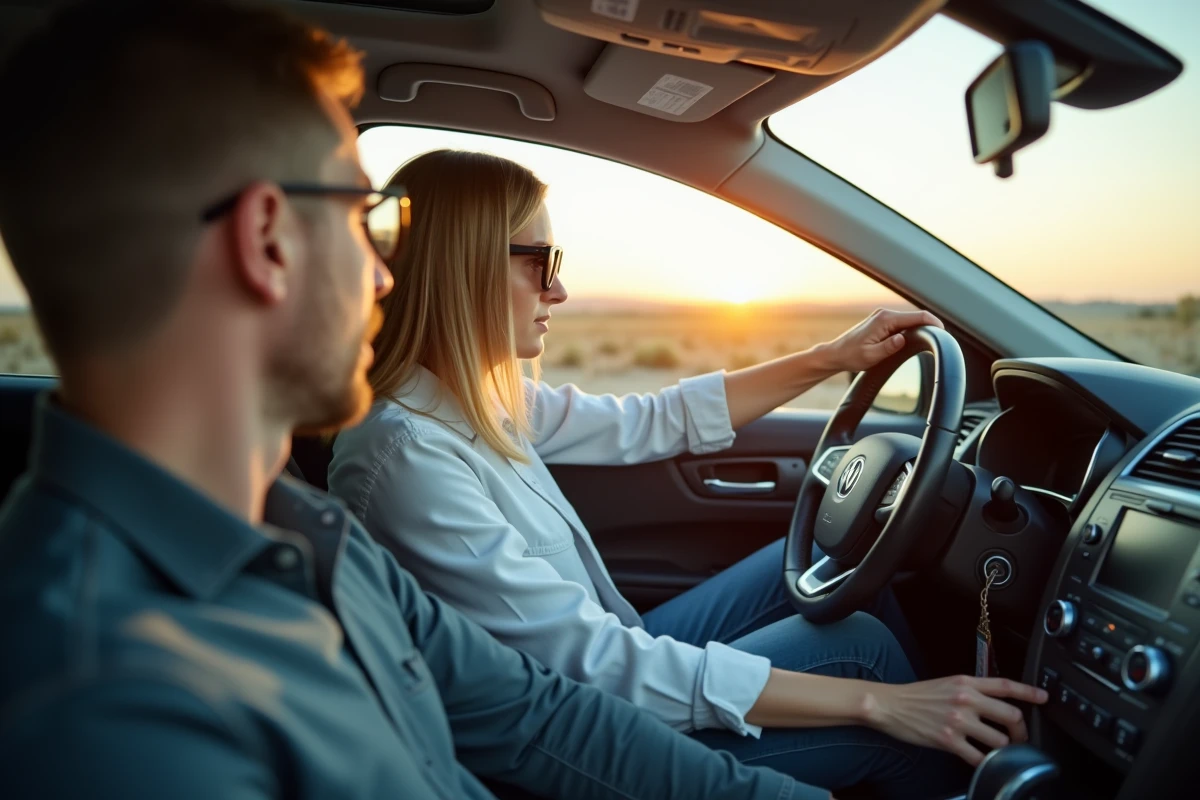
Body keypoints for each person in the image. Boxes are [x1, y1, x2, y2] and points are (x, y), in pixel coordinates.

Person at [0, 3, 839, 799]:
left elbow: (534, 710)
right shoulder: (105, 711)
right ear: (267, 242)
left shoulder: (304, 531)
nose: (384, 274)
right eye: (365, 220)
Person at [328, 148, 1048, 798]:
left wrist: (833, 357)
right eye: (541, 262)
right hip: (568, 744)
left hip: (601, 664)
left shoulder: (477, 399)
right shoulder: (406, 456)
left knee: (837, 561)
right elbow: (590, 668)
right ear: (465, 267)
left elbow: (653, 421)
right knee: (860, 658)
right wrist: (880, 704)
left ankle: (940, 734)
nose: (560, 291)